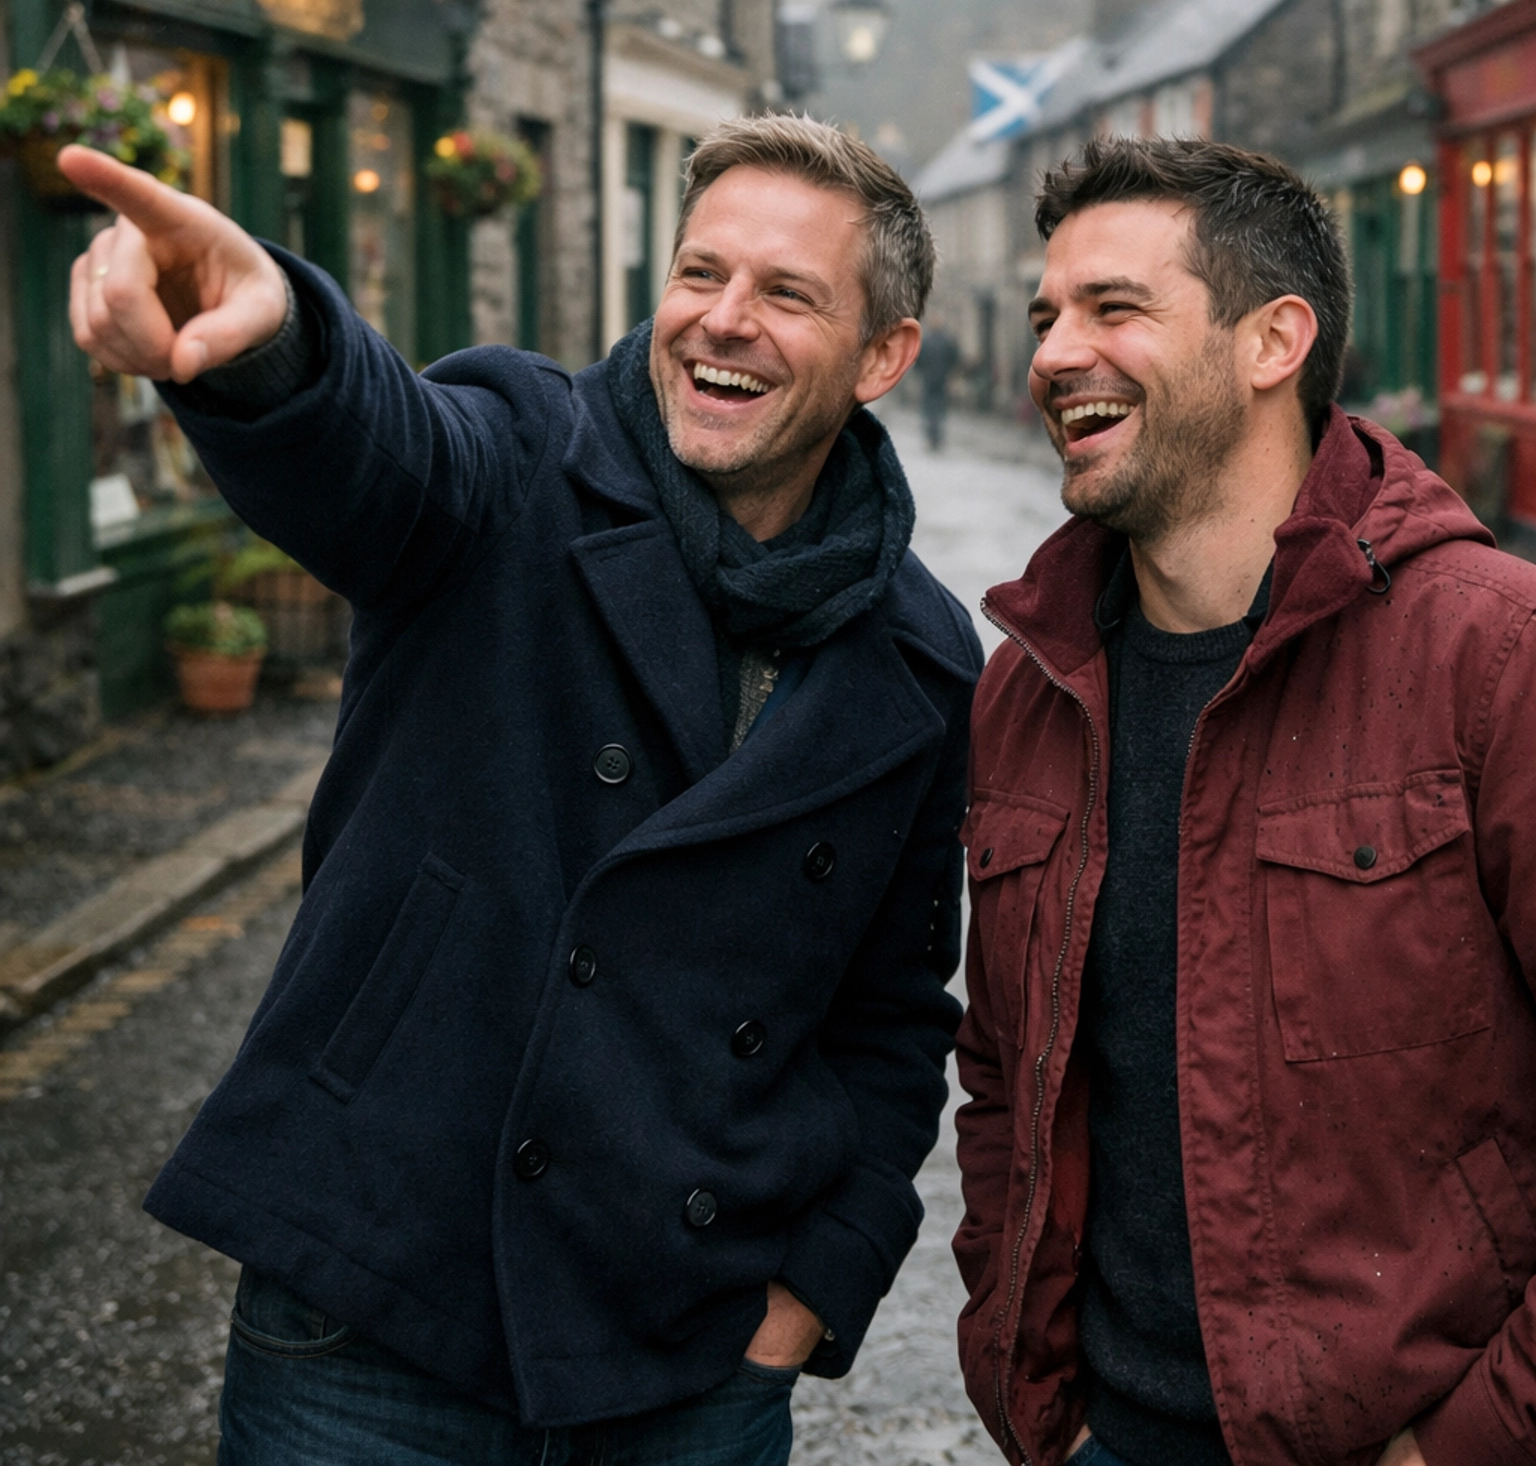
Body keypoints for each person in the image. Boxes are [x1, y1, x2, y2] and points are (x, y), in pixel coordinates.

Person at [61, 114, 980, 1466]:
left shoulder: (918, 655)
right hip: (375, 1318)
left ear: (884, 356)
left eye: (787, 293)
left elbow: (895, 1018)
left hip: (687, 1348)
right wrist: (271, 349)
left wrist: (815, 1283)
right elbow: (381, 453)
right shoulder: (519, 457)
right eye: (698, 272)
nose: (721, 322)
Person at [952, 134, 1536, 1466]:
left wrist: (1472, 1445)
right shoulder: (1029, 692)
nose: (1048, 353)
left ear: (1273, 341)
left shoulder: (1494, 659)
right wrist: (1035, 1385)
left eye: (1113, 308)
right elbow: (1001, 1077)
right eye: (1048, 315)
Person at [915, 319, 962, 451]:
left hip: (928, 379)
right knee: (940, 408)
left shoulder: (926, 342)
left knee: (929, 408)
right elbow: (955, 359)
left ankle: (931, 435)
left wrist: (921, 372)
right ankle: (938, 436)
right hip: (942, 379)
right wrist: (950, 373)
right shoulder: (947, 342)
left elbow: (918, 359)